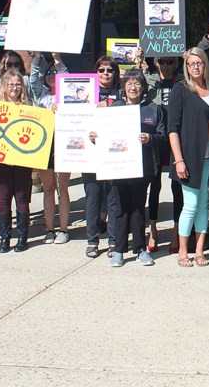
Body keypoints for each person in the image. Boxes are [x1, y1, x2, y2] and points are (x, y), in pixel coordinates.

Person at [109, 70, 166, 267]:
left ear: (143, 87)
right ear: (123, 87)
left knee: (138, 209)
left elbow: (162, 136)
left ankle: (140, 249)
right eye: (129, 83)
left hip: (143, 166)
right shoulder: (114, 108)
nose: (133, 87)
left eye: (137, 84)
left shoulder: (152, 109)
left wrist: (149, 138)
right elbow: (104, 134)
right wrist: (95, 138)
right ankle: (118, 250)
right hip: (118, 166)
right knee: (120, 208)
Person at [168, 47, 209, 267]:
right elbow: (173, 128)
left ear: (205, 65)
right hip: (188, 157)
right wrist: (179, 160)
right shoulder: (181, 90)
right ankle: (182, 252)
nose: (195, 67)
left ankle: (199, 251)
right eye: (191, 64)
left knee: (204, 204)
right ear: (187, 67)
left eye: (199, 63)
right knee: (191, 204)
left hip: (208, 157)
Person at [0, 70, 35, 253]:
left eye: (18, 84)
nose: (15, 87)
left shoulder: (28, 106)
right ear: (4, 86)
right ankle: (5, 238)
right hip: (0, 160)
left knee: (21, 197)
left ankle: (22, 238)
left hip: (21, 159)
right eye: (11, 84)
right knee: (3, 198)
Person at [30, 51, 71, 244]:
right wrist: (38, 56)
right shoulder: (41, 95)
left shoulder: (69, 94)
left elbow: (65, 75)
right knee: (48, 188)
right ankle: (49, 229)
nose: (52, 76)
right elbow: (33, 78)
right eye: (49, 73)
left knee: (62, 188)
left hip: (63, 144)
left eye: (55, 74)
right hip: (44, 146)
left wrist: (57, 59)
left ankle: (63, 229)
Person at [143, 55, 184, 251]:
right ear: (156, 63)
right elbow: (134, 86)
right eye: (162, 62)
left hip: (176, 136)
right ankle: (153, 229)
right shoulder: (150, 81)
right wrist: (137, 62)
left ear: (175, 63)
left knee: (177, 185)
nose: (166, 66)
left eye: (170, 62)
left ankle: (176, 230)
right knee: (155, 184)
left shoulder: (182, 80)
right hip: (156, 137)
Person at [84, 55, 122, 258]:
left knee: (112, 198)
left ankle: (114, 241)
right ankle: (92, 241)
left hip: (114, 153)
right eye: (101, 70)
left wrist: (112, 106)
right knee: (92, 197)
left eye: (110, 70)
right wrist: (58, 106)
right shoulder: (87, 92)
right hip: (90, 153)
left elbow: (130, 108)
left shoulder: (120, 93)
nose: (106, 73)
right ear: (95, 72)